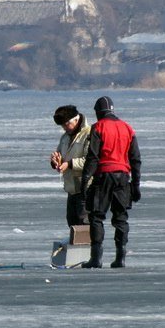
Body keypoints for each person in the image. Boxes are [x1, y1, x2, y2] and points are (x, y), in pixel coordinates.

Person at [79, 96, 141, 268]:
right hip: (123, 177)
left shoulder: (98, 127)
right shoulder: (127, 128)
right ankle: (121, 258)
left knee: (96, 217)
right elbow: (135, 159)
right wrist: (136, 186)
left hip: (103, 177)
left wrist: (84, 181)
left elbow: (93, 157)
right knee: (121, 218)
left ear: (98, 112)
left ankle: (96, 258)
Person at [50, 105, 91, 227]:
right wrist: (55, 161)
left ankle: (88, 246)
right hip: (71, 189)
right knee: (72, 223)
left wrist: (69, 164)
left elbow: (90, 160)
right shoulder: (65, 137)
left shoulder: (89, 134)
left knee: (84, 224)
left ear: (76, 120)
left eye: (66, 124)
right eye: (62, 126)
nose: (65, 128)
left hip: (86, 188)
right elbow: (59, 155)